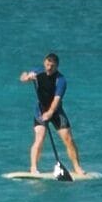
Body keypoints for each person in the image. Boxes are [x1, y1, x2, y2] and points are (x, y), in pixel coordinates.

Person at [22, 51, 87, 180]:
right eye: (47, 64)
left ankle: (77, 167)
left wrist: (50, 113)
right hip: (40, 111)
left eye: (52, 66)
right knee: (39, 138)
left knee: (68, 139)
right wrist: (27, 77)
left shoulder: (61, 80)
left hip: (56, 112)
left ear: (57, 66)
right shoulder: (38, 72)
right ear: (44, 63)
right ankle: (33, 168)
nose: (49, 68)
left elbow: (56, 100)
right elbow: (23, 76)